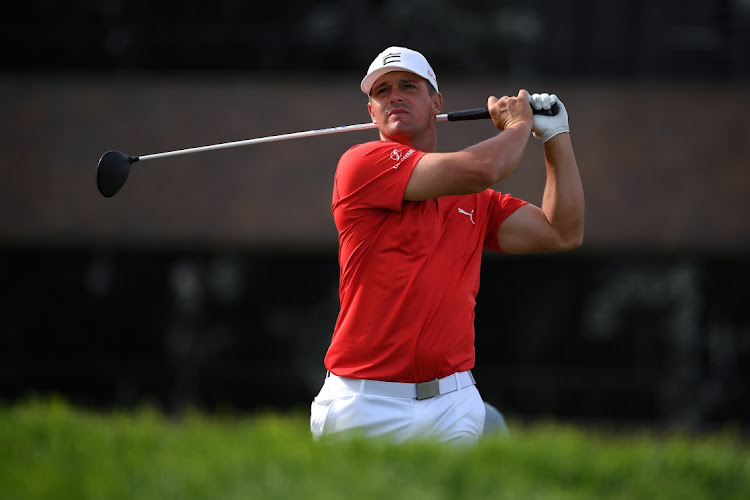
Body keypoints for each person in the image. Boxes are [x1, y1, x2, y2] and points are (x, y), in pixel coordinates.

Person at [310, 46, 584, 445]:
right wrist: (518, 126)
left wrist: (556, 136)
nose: (395, 96)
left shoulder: (477, 200)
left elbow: (562, 231)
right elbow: (483, 168)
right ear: (372, 112)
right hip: (364, 403)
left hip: (453, 403)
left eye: (408, 86)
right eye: (382, 91)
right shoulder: (361, 164)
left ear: (436, 102)